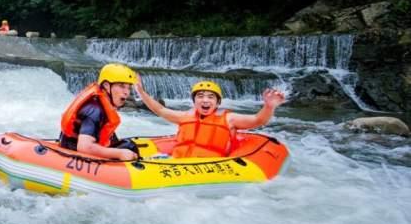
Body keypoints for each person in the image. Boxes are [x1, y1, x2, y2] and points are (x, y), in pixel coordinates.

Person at [134, 78, 286, 158]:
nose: (205, 100)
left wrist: (269, 106)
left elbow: (258, 120)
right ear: (194, 102)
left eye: (210, 97)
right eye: (200, 96)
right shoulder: (185, 116)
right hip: (178, 165)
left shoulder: (229, 119)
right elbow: (159, 109)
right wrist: (141, 92)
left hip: (210, 170)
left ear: (217, 102)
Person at [59, 63, 140, 161]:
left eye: (129, 87)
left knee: (129, 145)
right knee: (128, 147)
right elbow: (84, 147)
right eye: (121, 86)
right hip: (73, 151)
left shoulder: (102, 103)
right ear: (106, 86)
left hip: (75, 144)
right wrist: (120, 153)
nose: (127, 92)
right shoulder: (95, 110)